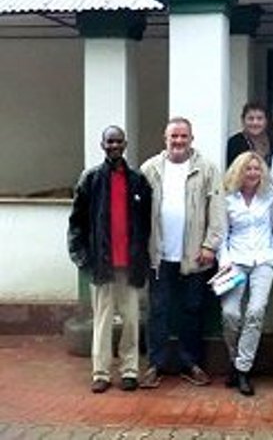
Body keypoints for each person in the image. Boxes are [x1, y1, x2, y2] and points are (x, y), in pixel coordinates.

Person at [139, 117, 226, 389]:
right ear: (165, 139)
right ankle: (155, 364)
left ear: (191, 139)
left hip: (195, 255)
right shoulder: (149, 169)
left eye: (183, 136)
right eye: (173, 136)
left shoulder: (207, 169)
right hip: (158, 255)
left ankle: (191, 364)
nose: (178, 141)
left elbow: (217, 210)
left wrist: (210, 245)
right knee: (158, 311)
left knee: (192, 310)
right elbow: (138, 212)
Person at [67, 125, 152, 393]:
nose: (114, 146)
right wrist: (81, 257)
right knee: (102, 320)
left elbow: (147, 224)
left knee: (131, 319)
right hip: (102, 263)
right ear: (102, 145)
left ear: (125, 145)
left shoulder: (138, 180)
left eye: (118, 141)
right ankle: (101, 372)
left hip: (130, 264)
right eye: (110, 141)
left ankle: (129, 370)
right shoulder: (90, 179)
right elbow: (77, 222)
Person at [217, 151, 273, 397]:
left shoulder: (270, 195)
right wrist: (224, 261)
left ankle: (243, 369)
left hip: (264, 259)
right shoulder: (227, 198)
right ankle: (234, 359)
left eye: (256, 168)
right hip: (234, 261)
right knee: (230, 313)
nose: (252, 173)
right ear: (238, 171)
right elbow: (221, 234)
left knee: (255, 311)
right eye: (248, 168)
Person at [226, 101, 271, 167]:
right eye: (250, 119)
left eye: (259, 118)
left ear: (266, 121)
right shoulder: (234, 143)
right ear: (243, 120)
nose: (255, 123)